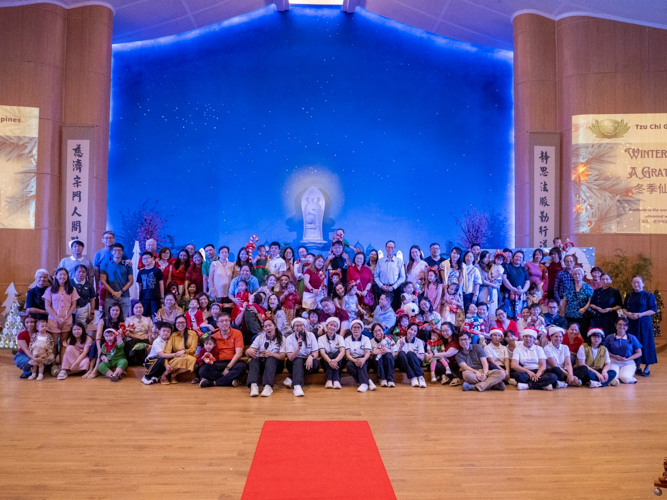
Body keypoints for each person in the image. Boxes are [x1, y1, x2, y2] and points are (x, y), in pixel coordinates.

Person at [199, 312, 246, 387]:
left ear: (230, 321)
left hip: (233, 362)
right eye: (221, 321)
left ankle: (214, 383)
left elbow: (239, 353)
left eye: (226, 321)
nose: (224, 323)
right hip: (218, 363)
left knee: (241, 367)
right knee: (203, 370)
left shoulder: (237, 333)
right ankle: (229, 381)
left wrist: (228, 368)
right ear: (217, 324)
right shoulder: (213, 337)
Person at [623, 275, 657, 376]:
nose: (636, 284)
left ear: (643, 283)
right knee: (633, 343)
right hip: (631, 322)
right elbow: (624, 308)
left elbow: (653, 310)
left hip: (644, 323)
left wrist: (640, 314)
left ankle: (647, 366)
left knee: (645, 343)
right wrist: (627, 313)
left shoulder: (649, 295)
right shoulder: (628, 295)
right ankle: (636, 365)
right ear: (631, 284)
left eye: (638, 282)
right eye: (634, 282)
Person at [43, 267, 79, 359]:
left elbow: (73, 305)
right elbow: (47, 306)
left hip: (67, 319)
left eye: (64, 275)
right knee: (54, 344)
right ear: (56, 276)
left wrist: (65, 318)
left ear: (67, 276)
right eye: (60, 274)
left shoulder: (72, 289)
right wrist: (58, 319)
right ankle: (53, 363)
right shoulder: (50, 290)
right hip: (53, 319)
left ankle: (62, 364)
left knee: (63, 343)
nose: (62, 276)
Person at [245, 318, 286, 397]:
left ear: (275, 326)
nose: (268, 328)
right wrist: (248, 351)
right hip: (262, 363)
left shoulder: (282, 338)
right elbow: (249, 350)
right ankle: (253, 385)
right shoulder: (260, 337)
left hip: (276, 364)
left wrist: (271, 354)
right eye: (265, 326)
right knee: (254, 359)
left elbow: (283, 356)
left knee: (271, 359)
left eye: (270, 325)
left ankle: (268, 386)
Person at [284, 317, 320, 397]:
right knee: (298, 360)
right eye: (296, 325)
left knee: (315, 363)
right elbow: (290, 357)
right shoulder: (290, 338)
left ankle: (292, 378)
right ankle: (297, 386)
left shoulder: (311, 335)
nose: (299, 327)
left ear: (305, 327)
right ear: (293, 328)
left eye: (301, 325)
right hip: (294, 362)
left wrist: (311, 357)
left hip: (308, 361)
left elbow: (316, 352)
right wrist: (298, 348)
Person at [604, 317, 642, 384]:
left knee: (625, 378)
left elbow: (639, 353)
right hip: (613, 361)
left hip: (628, 362)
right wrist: (614, 356)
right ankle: (617, 377)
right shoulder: (609, 337)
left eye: (624, 325)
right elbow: (604, 351)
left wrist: (627, 359)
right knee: (614, 376)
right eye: (619, 324)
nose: (621, 326)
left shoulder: (632, 338)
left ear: (627, 327)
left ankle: (626, 377)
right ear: (616, 325)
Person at [100, 242, 133, 317]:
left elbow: (130, 281)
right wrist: (114, 293)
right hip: (110, 297)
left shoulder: (127, 264)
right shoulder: (105, 264)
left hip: (124, 296)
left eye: (119, 250)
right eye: (115, 250)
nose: (117, 252)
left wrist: (120, 292)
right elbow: (103, 281)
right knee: (109, 319)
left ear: (122, 252)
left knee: (123, 320)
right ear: (112, 252)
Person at [162, 315, 198, 383]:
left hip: (190, 356)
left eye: (182, 322)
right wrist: (166, 364)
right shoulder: (173, 335)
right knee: (182, 359)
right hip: (177, 357)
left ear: (186, 323)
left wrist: (184, 351)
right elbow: (167, 351)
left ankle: (172, 374)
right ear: (175, 324)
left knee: (192, 360)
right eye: (178, 323)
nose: (180, 324)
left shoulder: (193, 334)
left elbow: (193, 349)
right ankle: (169, 373)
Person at [345, 319, 375, 392]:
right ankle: (368, 381)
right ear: (351, 329)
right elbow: (347, 354)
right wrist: (355, 360)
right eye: (354, 327)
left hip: (364, 358)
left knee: (362, 363)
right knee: (349, 365)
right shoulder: (347, 339)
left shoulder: (366, 339)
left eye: (358, 327)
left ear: (362, 329)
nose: (356, 329)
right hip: (352, 359)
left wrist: (363, 359)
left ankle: (364, 384)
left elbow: (367, 352)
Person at [375, 240, 405, 309]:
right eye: (388, 247)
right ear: (385, 248)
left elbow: (402, 277)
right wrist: (381, 285)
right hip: (383, 289)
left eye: (392, 247)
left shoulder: (399, 261)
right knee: (382, 308)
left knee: (395, 309)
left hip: (395, 289)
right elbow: (376, 276)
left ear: (394, 249)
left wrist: (393, 287)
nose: (390, 249)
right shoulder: (380, 261)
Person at [318, 317, 346, 389]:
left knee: (336, 353)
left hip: (338, 361)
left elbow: (342, 351)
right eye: (331, 325)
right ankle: (330, 380)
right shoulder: (321, 338)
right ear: (326, 326)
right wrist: (330, 361)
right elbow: (323, 353)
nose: (332, 327)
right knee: (329, 354)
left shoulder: (340, 338)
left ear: (337, 329)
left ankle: (335, 380)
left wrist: (335, 360)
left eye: (335, 326)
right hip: (326, 362)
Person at [395, 322, 427, 388]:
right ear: (407, 329)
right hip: (403, 364)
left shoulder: (419, 341)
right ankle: (413, 377)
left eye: (415, 331)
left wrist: (413, 353)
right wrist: (400, 348)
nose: (412, 332)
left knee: (410, 353)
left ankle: (420, 378)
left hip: (415, 363)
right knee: (401, 353)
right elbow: (395, 356)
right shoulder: (400, 340)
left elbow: (422, 357)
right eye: (411, 329)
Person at [562, 267, 593, 333]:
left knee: (582, 333)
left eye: (579, 274)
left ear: (582, 275)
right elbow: (564, 300)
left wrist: (584, 308)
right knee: (571, 333)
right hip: (570, 315)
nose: (577, 276)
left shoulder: (587, 287)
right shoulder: (569, 287)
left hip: (583, 315)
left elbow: (591, 300)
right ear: (573, 276)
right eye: (575, 274)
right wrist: (562, 313)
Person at [501, 250, 530, 319]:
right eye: (516, 256)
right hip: (509, 294)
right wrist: (512, 288)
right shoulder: (507, 267)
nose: (518, 258)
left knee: (520, 316)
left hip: (521, 295)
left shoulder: (523, 269)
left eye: (520, 257)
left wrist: (523, 290)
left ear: (522, 259)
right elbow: (504, 279)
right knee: (508, 314)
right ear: (513, 257)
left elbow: (527, 282)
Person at [136, 251, 164, 320]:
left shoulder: (157, 270)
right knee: (144, 317)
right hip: (144, 298)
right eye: (144, 259)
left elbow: (161, 284)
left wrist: (162, 297)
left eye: (148, 258)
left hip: (155, 297)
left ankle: (156, 330)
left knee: (156, 317)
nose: (146, 260)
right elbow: (139, 286)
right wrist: (140, 298)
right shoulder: (141, 272)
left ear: (152, 259)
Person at [369, 322, 396, 387]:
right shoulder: (371, 341)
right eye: (375, 331)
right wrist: (373, 352)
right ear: (373, 333)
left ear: (383, 331)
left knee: (389, 355)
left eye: (379, 330)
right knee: (377, 356)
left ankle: (390, 380)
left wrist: (389, 350)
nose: (378, 333)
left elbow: (395, 353)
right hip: (377, 364)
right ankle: (382, 379)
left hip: (388, 362)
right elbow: (368, 355)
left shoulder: (389, 339)